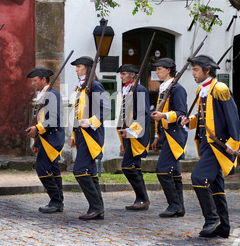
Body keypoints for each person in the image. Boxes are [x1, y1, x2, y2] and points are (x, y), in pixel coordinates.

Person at [180, 55, 240, 238]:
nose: (193, 73)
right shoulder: (202, 89)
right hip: (205, 144)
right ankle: (223, 226)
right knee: (216, 185)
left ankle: (212, 219)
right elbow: (204, 117)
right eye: (193, 69)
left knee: (198, 177)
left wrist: (234, 142)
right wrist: (189, 122)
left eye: (196, 70)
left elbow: (232, 117)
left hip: (218, 145)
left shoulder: (220, 88)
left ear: (207, 71)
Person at [69, 56, 111, 220]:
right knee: (90, 172)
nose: (76, 69)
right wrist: (74, 134)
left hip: (91, 135)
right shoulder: (81, 87)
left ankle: (96, 207)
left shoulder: (94, 84)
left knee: (80, 171)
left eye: (79, 66)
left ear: (87, 67)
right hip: (81, 135)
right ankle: (97, 209)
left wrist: (91, 121)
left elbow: (106, 108)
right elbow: (77, 113)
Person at [150, 58, 188, 218]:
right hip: (166, 135)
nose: (157, 72)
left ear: (168, 70)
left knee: (163, 170)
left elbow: (181, 112)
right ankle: (179, 207)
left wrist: (164, 115)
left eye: (159, 69)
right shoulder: (163, 88)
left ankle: (174, 204)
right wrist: (157, 136)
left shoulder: (177, 89)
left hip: (175, 136)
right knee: (174, 173)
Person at [26, 66, 65, 213]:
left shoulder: (52, 95)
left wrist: (37, 130)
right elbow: (41, 119)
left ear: (43, 79)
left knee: (42, 169)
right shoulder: (43, 95)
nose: (33, 83)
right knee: (54, 170)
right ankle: (58, 201)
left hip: (52, 138)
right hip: (44, 138)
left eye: (35, 80)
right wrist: (36, 141)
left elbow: (53, 119)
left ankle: (55, 200)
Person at [116, 64, 151, 211]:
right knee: (133, 166)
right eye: (121, 74)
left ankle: (143, 199)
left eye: (124, 74)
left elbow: (143, 114)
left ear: (132, 75)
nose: (121, 76)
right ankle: (142, 199)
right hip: (128, 135)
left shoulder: (139, 89)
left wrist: (131, 131)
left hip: (136, 134)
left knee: (128, 166)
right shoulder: (128, 89)